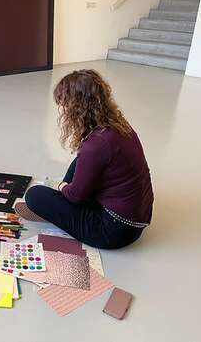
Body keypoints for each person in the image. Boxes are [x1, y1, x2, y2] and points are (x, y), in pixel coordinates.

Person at [15, 69, 154, 249]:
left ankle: (53, 207)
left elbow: (75, 196)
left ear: (77, 107)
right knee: (78, 161)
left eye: (64, 104)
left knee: (34, 195)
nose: (62, 110)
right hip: (137, 218)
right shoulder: (119, 126)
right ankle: (57, 204)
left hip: (113, 231)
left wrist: (60, 186)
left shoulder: (96, 144)